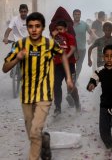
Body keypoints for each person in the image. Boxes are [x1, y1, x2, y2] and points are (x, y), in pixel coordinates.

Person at [2, 12, 74, 160]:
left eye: (37, 26)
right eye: (30, 27)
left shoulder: (50, 44)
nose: (34, 30)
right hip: (26, 96)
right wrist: (17, 59)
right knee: (32, 134)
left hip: (44, 95)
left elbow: (64, 57)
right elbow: (5, 68)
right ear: (27, 28)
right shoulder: (20, 45)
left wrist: (68, 78)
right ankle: (44, 140)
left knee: (35, 132)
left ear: (42, 28)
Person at [52, 20, 81, 117]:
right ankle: (57, 108)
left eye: (61, 29)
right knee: (56, 85)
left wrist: (66, 57)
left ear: (66, 29)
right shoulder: (55, 38)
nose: (59, 31)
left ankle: (77, 104)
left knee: (71, 86)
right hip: (58, 65)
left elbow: (72, 49)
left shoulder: (70, 37)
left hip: (70, 64)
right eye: (57, 29)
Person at [73, 9, 94, 82]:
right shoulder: (70, 25)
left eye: (78, 14)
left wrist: (90, 40)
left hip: (82, 49)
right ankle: (72, 80)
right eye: (76, 14)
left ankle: (75, 80)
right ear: (73, 15)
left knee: (79, 66)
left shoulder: (84, 24)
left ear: (80, 15)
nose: (77, 16)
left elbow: (91, 33)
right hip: (72, 50)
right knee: (72, 66)